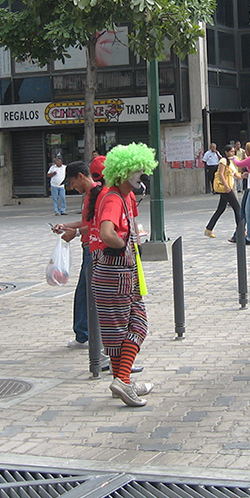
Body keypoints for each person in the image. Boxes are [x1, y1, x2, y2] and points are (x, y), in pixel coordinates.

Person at [91, 144, 157, 407]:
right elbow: (107, 232)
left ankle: (124, 382)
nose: (141, 175)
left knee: (117, 335)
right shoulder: (112, 199)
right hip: (115, 273)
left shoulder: (120, 197)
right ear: (124, 172)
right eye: (137, 171)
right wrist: (123, 245)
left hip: (115, 274)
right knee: (137, 326)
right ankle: (122, 380)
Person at [54, 156, 106, 349]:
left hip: (92, 249)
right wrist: (66, 226)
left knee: (86, 294)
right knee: (84, 293)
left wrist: (74, 232)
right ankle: (84, 333)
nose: (71, 186)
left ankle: (85, 335)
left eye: (72, 181)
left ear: (81, 176)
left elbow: (95, 224)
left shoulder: (97, 194)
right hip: (87, 247)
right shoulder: (89, 196)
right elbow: (86, 223)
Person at [205, 144, 241, 238]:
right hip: (226, 188)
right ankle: (241, 230)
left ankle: (209, 229)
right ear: (226, 152)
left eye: (234, 151)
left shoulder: (231, 161)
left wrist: (243, 176)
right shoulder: (223, 160)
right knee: (237, 208)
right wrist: (226, 186)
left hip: (228, 187)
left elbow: (235, 174)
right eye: (231, 151)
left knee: (221, 208)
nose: (233, 153)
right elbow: (221, 174)